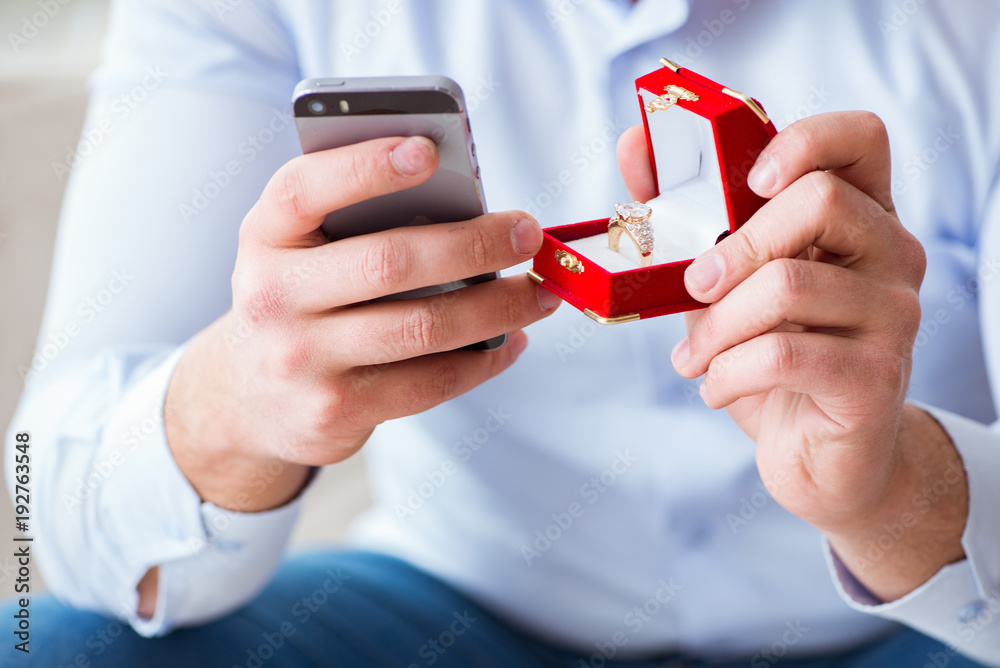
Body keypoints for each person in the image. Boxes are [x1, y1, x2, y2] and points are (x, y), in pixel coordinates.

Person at [4, 0, 1000, 665]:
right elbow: (44, 501)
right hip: (462, 595)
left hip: (912, 617)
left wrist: (893, 489)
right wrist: (236, 404)